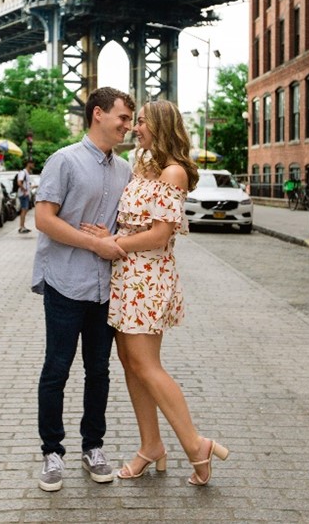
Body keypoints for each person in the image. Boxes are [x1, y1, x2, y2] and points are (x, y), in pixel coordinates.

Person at [81, 100, 229, 487]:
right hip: (127, 275)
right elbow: (130, 218)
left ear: (160, 125)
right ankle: (151, 446)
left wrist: (114, 243)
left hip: (148, 276)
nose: (134, 128)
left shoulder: (173, 172)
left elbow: (161, 234)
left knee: (147, 365)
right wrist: (107, 234)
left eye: (141, 121)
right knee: (130, 362)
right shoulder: (142, 164)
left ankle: (196, 445)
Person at [32, 86, 136, 492]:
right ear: (98, 114)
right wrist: (95, 242)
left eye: (130, 119)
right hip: (66, 282)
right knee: (56, 369)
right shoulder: (65, 161)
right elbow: (44, 219)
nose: (127, 125)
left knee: (99, 372)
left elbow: (123, 227)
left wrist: (115, 240)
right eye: (122, 118)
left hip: (105, 288)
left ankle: (93, 447)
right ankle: (52, 453)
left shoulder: (124, 169)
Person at [15, 159, 35, 233]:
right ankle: (21, 227)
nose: (33, 166)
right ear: (28, 164)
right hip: (23, 194)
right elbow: (19, 183)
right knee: (24, 210)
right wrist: (24, 191)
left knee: (25, 210)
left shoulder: (26, 173)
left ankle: (23, 226)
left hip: (25, 194)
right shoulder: (23, 172)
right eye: (32, 164)